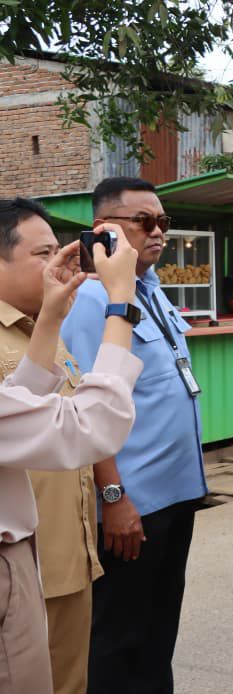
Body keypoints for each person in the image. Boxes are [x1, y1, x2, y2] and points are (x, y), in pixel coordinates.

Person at [61, 177, 209, 694]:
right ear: (105, 229)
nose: (159, 232)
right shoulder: (88, 300)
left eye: (163, 222)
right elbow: (84, 404)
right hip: (132, 504)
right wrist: (114, 497)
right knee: (118, 638)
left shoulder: (151, 289)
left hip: (176, 496)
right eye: (144, 222)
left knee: (157, 632)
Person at [0, 201, 144, 694]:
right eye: (41, 252)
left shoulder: (41, 322)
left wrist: (49, 318)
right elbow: (93, 424)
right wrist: (121, 299)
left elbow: (15, 401)